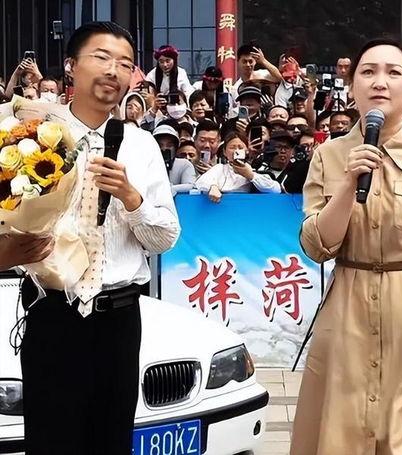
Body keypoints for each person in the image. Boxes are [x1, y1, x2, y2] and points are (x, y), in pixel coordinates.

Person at [291, 38, 402, 454]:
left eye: (394, 72)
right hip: (347, 318)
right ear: (351, 86)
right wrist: (347, 184)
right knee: (342, 437)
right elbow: (318, 246)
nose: (380, 82)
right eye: (368, 72)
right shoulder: (327, 156)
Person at [20, 21, 180, 455]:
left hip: (118, 320)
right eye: (102, 57)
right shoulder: (31, 135)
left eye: (125, 63)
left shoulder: (142, 145)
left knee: (110, 441)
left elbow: (165, 238)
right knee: (51, 441)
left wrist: (131, 198)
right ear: (71, 66)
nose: (114, 70)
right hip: (52, 314)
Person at [195, 132, 280, 202]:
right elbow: (200, 182)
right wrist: (212, 187)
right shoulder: (219, 168)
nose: (236, 151)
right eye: (232, 147)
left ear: (247, 151)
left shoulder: (253, 169)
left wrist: (250, 175)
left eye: (240, 147)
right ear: (224, 152)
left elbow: (276, 189)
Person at [152, 122, 196, 195]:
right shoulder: (147, 165)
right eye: (160, 145)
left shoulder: (184, 164)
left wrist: (170, 188)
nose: (164, 148)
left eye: (169, 145)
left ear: (175, 147)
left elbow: (191, 186)